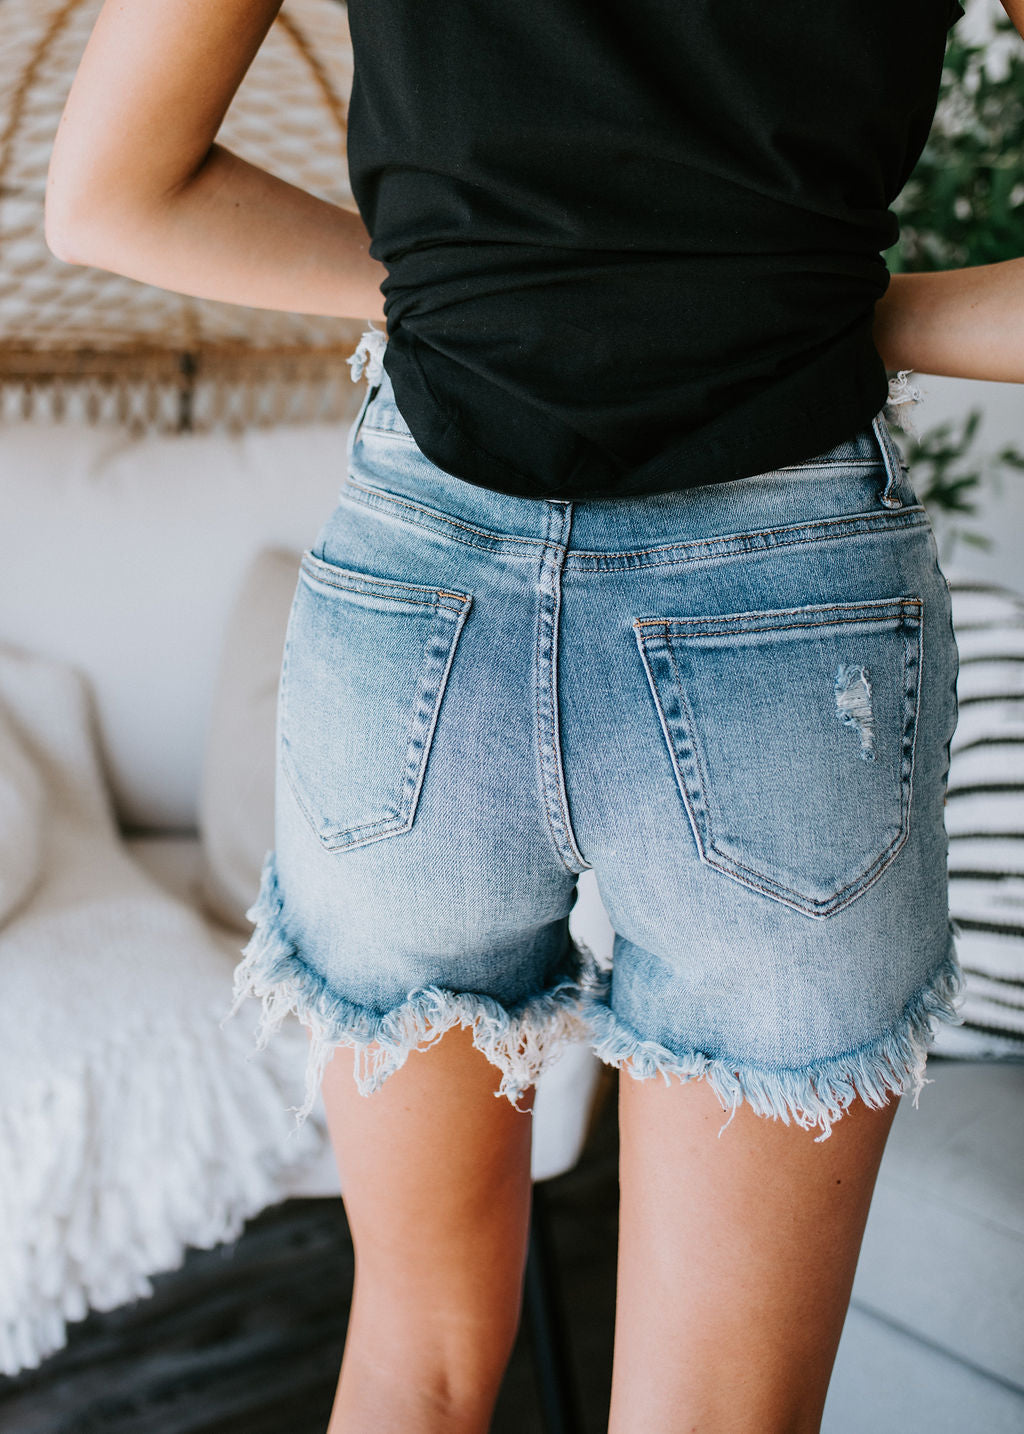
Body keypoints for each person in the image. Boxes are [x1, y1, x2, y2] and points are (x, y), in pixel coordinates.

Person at [46, 1, 1024, 1430]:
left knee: (415, 1362)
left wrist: (468, 292)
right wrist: (840, 311)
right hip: (788, 620)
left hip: (417, 601)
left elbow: (108, 195)